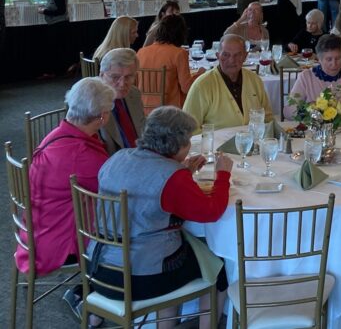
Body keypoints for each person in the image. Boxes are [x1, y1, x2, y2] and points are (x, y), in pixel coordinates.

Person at [91, 106, 230, 329]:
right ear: (178, 143)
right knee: (218, 267)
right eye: (188, 141)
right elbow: (211, 211)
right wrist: (223, 174)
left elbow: (144, 185)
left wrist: (182, 171)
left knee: (180, 250)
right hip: (139, 277)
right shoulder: (173, 177)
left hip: (99, 267)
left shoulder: (118, 157)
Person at [16, 77, 112, 279]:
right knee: (129, 222)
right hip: (58, 244)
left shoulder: (57, 135)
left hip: (35, 231)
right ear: (102, 117)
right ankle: (104, 286)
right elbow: (117, 188)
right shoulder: (82, 155)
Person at [183, 34, 274, 129]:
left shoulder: (255, 80)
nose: (231, 60)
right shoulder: (202, 85)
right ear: (218, 56)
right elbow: (186, 128)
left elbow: (268, 119)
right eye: (226, 55)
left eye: (237, 55)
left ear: (245, 56)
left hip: (253, 138)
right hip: (216, 139)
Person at [284, 34, 341, 119]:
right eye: (329, 59)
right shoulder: (306, 77)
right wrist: (310, 111)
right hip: (313, 126)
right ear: (319, 59)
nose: (334, 64)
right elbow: (288, 111)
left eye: (338, 58)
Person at [137, 14, 195, 110]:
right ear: (181, 33)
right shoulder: (179, 53)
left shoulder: (141, 52)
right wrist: (200, 74)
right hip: (169, 110)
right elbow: (186, 88)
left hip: (142, 108)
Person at [98, 48, 145, 154]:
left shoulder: (134, 94)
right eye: (115, 77)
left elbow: (142, 129)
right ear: (101, 75)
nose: (122, 84)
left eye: (128, 77)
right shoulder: (91, 103)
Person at [39, 0, 70, 77]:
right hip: (56, 25)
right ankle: (56, 71)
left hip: (59, 26)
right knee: (56, 49)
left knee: (57, 49)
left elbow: (61, 11)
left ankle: (57, 72)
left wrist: (44, 11)